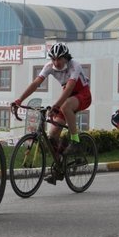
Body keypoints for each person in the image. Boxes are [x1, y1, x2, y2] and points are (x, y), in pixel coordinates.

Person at [12, 42, 91, 184]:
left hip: (83, 94)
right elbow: (35, 84)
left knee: (65, 107)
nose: (56, 62)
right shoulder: (49, 67)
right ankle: (59, 168)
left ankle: (75, 141)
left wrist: (56, 106)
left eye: (59, 59)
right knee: (52, 135)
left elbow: (69, 88)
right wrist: (19, 100)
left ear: (66, 57)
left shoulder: (74, 66)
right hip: (67, 97)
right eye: (53, 59)